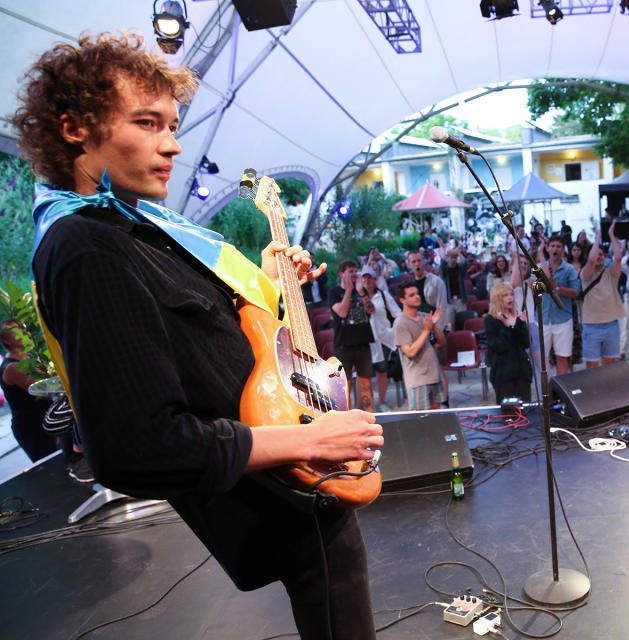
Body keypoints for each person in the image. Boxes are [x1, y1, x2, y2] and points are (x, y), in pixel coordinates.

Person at [17, 32, 382, 637]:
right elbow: (135, 447)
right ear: (75, 127)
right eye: (148, 122)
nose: (173, 143)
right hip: (279, 481)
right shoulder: (86, 246)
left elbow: (204, 338)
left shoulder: (137, 228)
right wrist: (303, 443)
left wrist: (266, 283)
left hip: (295, 487)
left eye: (173, 124)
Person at [0, 320, 57, 462]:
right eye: (16, 330)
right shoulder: (12, 367)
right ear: (7, 341)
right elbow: (47, 391)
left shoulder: (31, 357)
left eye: (23, 328)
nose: (25, 332)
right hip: (33, 427)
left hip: (47, 418)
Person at [329, 260, 376, 411]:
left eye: (356, 271)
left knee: (366, 384)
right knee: (345, 386)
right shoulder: (334, 292)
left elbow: (371, 310)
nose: (354, 274)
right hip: (343, 345)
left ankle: (370, 419)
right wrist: (349, 291)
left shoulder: (361, 291)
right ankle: (348, 422)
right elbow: (342, 312)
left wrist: (361, 292)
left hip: (363, 343)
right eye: (350, 271)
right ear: (341, 274)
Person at [393, 283, 447, 409]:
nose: (417, 297)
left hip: (434, 375)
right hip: (418, 381)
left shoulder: (424, 317)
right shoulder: (400, 323)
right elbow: (411, 352)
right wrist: (427, 330)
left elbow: (442, 343)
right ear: (402, 300)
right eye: (412, 295)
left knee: (436, 417)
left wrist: (433, 326)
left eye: (417, 293)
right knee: (421, 421)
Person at [580, 222, 625, 367]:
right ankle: (593, 390)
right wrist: (598, 237)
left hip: (611, 324)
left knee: (610, 365)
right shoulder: (585, 274)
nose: (599, 257)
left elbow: (618, 257)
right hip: (592, 326)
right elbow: (592, 260)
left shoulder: (610, 273)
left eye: (601, 254)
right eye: (596, 253)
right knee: (591, 367)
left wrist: (611, 234)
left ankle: (608, 390)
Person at [538, 235, 582, 376]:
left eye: (558, 246)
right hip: (543, 318)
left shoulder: (569, 269)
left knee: (562, 358)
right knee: (541, 358)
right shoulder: (539, 268)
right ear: (548, 249)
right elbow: (532, 287)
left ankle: (560, 392)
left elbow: (575, 292)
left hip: (563, 320)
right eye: (553, 246)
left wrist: (557, 287)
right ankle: (546, 389)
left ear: (563, 250)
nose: (555, 249)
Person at [361, 267, 402, 410]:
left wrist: (392, 332)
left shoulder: (383, 295)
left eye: (369, 278)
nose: (366, 281)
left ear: (374, 280)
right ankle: (367, 406)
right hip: (365, 341)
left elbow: (398, 314)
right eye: (364, 278)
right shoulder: (357, 297)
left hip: (383, 339)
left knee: (382, 371)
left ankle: (383, 402)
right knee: (364, 375)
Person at [484, 284, 533, 401]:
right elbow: (499, 346)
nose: (510, 298)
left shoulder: (517, 316)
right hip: (503, 372)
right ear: (497, 298)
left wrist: (520, 324)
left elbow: (526, 342)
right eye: (505, 295)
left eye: (511, 294)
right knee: (508, 412)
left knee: (525, 409)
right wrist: (508, 327)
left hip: (522, 370)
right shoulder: (490, 320)